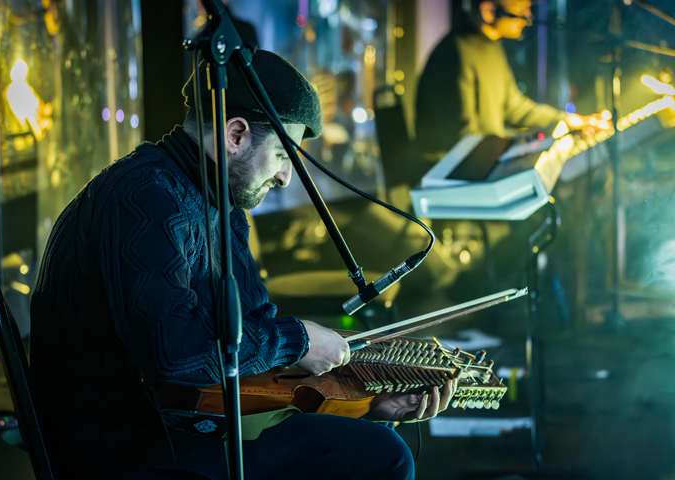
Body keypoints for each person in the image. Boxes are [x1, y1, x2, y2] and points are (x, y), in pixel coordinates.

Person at [30, 50, 457, 480]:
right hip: (128, 449)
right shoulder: (143, 196)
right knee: (381, 456)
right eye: (283, 155)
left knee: (374, 439)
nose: (286, 177)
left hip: (183, 422)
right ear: (236, 135)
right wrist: (299, 340)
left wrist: (364, 403)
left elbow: (252, 331)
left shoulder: (221, 202)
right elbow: (175, 353)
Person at [415, 0, 603, 165]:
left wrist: (567, 120)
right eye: (521, 8)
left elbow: (514, 108)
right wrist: (522, 146)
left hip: (482, 161)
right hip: (455, 176)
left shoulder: (490, 46)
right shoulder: (454, 54)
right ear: (488, 11)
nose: (528, 16)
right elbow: (463, 139)